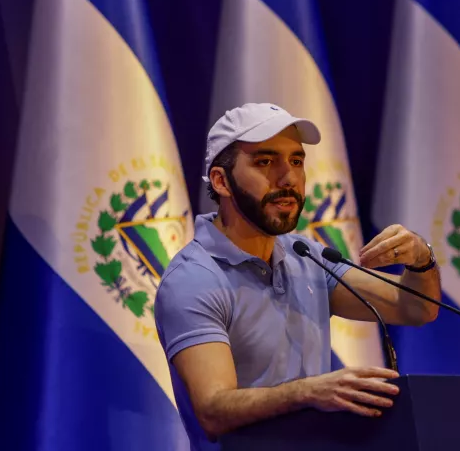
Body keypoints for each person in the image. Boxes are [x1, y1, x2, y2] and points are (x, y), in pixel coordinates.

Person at [154, 103, 441, 449]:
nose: (288, 178)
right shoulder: (194, 278)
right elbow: (214, 409)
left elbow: (416, 308)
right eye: (265, 162)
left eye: (296, 161)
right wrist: (308, 392)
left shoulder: (305, 256)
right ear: (221, 181)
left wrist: (421, 259)